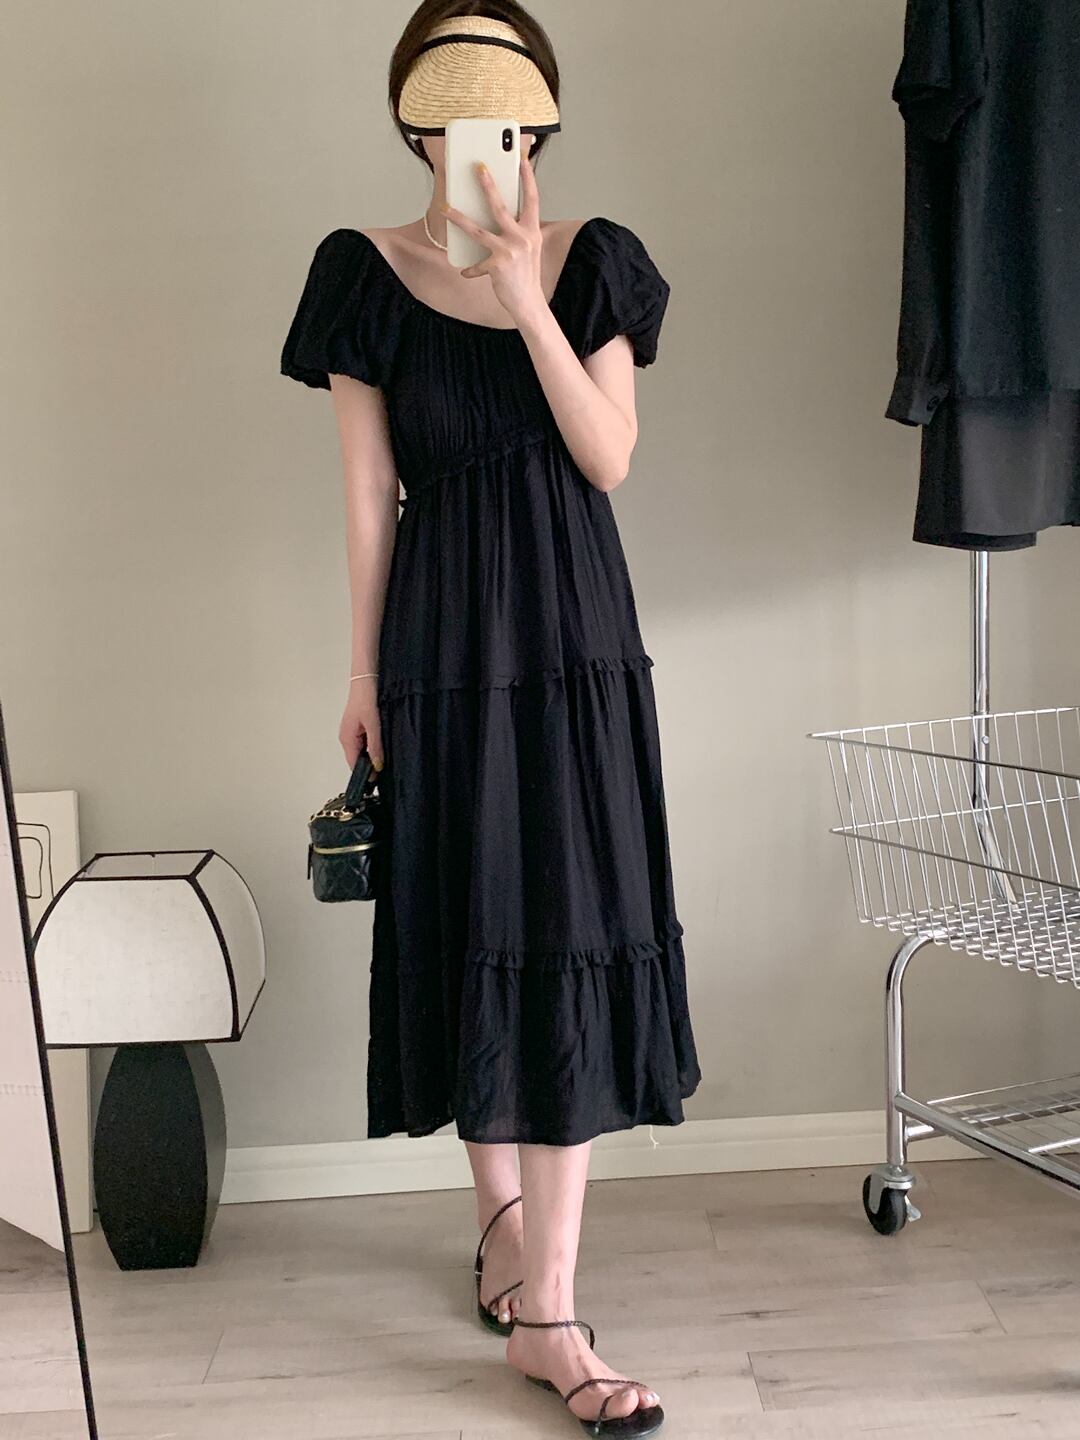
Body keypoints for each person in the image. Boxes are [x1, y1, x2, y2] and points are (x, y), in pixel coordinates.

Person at [280, 3, 700, 1432]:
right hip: (443, 647)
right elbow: (366, 495)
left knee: (568, 925)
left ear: (539, 118)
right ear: (418, 124)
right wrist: (359, 678)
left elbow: (610, 455)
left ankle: (553, 1314)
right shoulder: (361, 273)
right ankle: (505, 1233)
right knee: (472, 919)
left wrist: (524, 294)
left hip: (574, 644)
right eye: (456, 110)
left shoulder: (594, 261)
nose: (484, 137)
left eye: (507, 112)